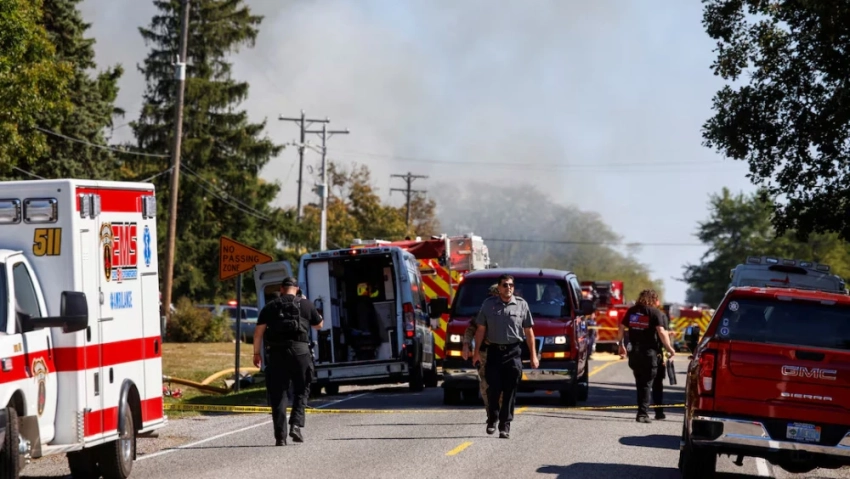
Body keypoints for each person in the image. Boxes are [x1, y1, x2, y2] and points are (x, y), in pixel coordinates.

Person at [254, 277, 323, 446]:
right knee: (302, 389)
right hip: (300, 353)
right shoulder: (306, 305)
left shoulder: (270, 307)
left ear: (281, 289)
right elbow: (319, 325)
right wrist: (308, 305)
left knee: (278, 395)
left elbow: (258, 333)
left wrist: (256, 353)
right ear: (297, 289)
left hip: (277, 354)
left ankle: (280, 437)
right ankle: (296, 425)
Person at [472, 274, 539, 439]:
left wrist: (533, 355)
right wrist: (476, 353)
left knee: (510, 391)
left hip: (514, 352)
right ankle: (492, 418)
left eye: (510, 285)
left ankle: (505, 425)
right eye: (504, 285)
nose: (508, 288)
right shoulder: (488, 305)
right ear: (499, 288)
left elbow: (529, 331)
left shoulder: (522, 305)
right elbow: (480, 329)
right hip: (494, 352)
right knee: (493, 388)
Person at [616, 289, 675, 423]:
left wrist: (620, 345)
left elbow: (621, 327)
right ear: (653, 299)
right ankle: (642, 414)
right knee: (649, 383)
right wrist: (670, 349)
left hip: (634, 353)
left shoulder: (632, 311)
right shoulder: (655, 312)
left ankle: (650, 412)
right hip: (650, 353)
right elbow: (661, 332)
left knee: (641, 383)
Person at [462, 283, 502, 417]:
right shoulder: (482, 312)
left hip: (503, 353)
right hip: (485, 353)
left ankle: (501, 412)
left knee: (502, 386)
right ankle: (491, 412)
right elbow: (471, 329)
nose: (494, 299)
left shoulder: (511, 312)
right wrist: (466, 344)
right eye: (491, 296)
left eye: (496, 295)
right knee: (485, 384)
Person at [651, 312, 672, 420]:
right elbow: (664, 333)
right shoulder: (660, 315)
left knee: (642, 385)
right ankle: (658, 412)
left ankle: (642, 412)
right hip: (656, 354)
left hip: (639, 353)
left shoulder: (636, 313)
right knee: (657, 385)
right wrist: (670, 350)